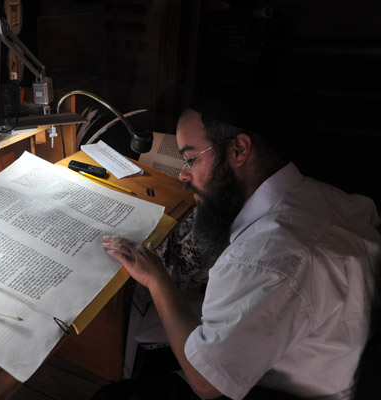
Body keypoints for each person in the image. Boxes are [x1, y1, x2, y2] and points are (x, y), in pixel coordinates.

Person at [96, 88, 381, 400]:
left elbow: (207, 383)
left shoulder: (263, 259)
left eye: (191, 158)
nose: (183, 175)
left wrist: (156, 279)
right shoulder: (325, 196)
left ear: (239, 151)